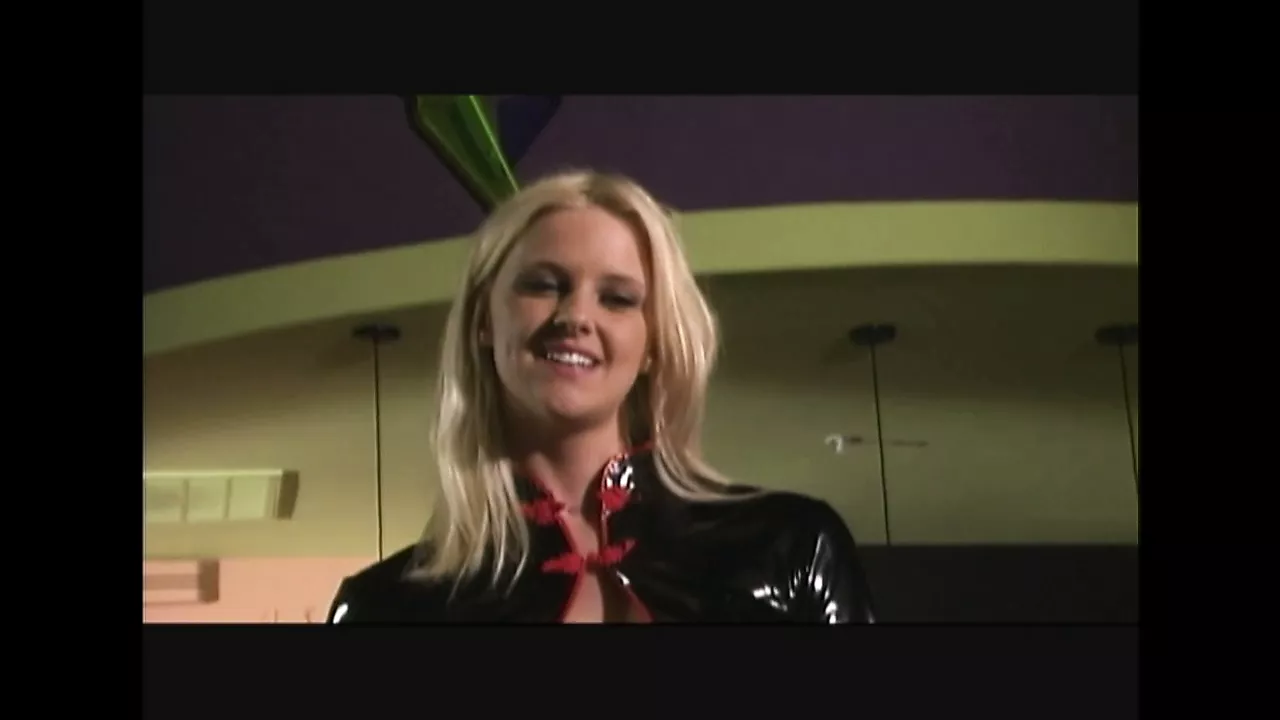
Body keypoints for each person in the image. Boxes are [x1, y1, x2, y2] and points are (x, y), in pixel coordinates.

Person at [326, 170, 876, 623]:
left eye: (617, 298)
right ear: (483, 322)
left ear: (654, 343)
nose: (575, 317)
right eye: (543, 285)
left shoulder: (792, 546)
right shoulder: (385, 607)